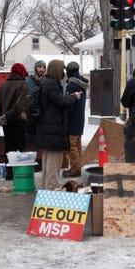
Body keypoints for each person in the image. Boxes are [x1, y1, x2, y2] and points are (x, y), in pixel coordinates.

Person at [34, 59, 81, 189]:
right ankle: (51, 188)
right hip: (53, 129)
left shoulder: (45, 82)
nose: (64, 72)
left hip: (47, 128)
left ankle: (45, 187)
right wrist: (74, 96)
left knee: (48, 159)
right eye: (62, 70)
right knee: (54, 161)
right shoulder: (52, 85)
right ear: (57, 70)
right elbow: (61, 102)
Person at [0, 63, 29, 180]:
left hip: (6, 122)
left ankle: (8, 173)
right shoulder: (23, 84)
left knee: (8, 146)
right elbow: (19, 105)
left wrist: (0, 117)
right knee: (19, 147)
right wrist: (9, 115)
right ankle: (18, 173)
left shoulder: (3, 85)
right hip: (19, 120)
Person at [63, 61, 88, 177]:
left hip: (72, 119)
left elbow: (69, 104)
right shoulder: (82, 83)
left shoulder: (71, 85)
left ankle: (75, 169)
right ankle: (77, 167)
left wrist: (64, 117)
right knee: (77, 144)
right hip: (80, 119)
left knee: (72, 145)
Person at [24, 60, 46, 142]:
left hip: (42, 117)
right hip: (30, 117)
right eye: (39, 67)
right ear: (35, 68)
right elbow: (22, 98)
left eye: (44, 68)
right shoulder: (27, 81)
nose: (42, 70)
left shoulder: (46, 82)